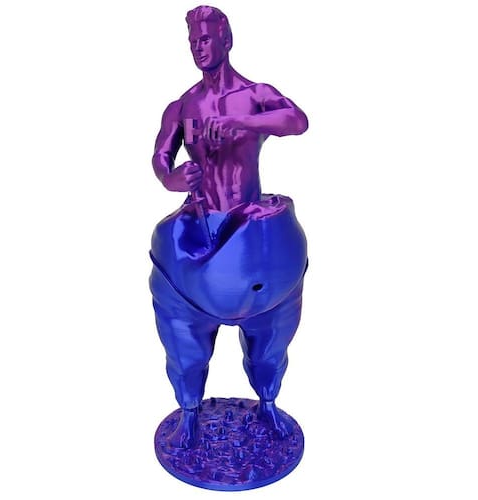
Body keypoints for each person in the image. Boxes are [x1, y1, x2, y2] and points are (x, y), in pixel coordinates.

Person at [150, 5, 309, 448]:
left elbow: (297, 121)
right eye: (192, 42)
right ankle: (189, 414)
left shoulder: (255, 94)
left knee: (271, 331)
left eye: (205, 39)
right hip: (199, 227)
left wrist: (240, 121)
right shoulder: (182, 106)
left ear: (226, 40)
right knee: (183, 336)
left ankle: (268, 403)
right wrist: (172, 177)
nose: (198, 49)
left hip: (251, 229)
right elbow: (160, 158)